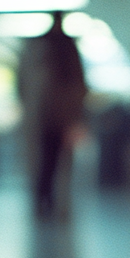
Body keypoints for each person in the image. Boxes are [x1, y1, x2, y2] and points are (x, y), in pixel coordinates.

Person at [17, 11, 87, 218]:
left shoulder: (57, 48)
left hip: (53, 119)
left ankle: (48, 204)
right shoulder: (60, 48)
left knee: (53, 164)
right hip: (50, 119)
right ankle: (45, 203)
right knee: (48, 164)